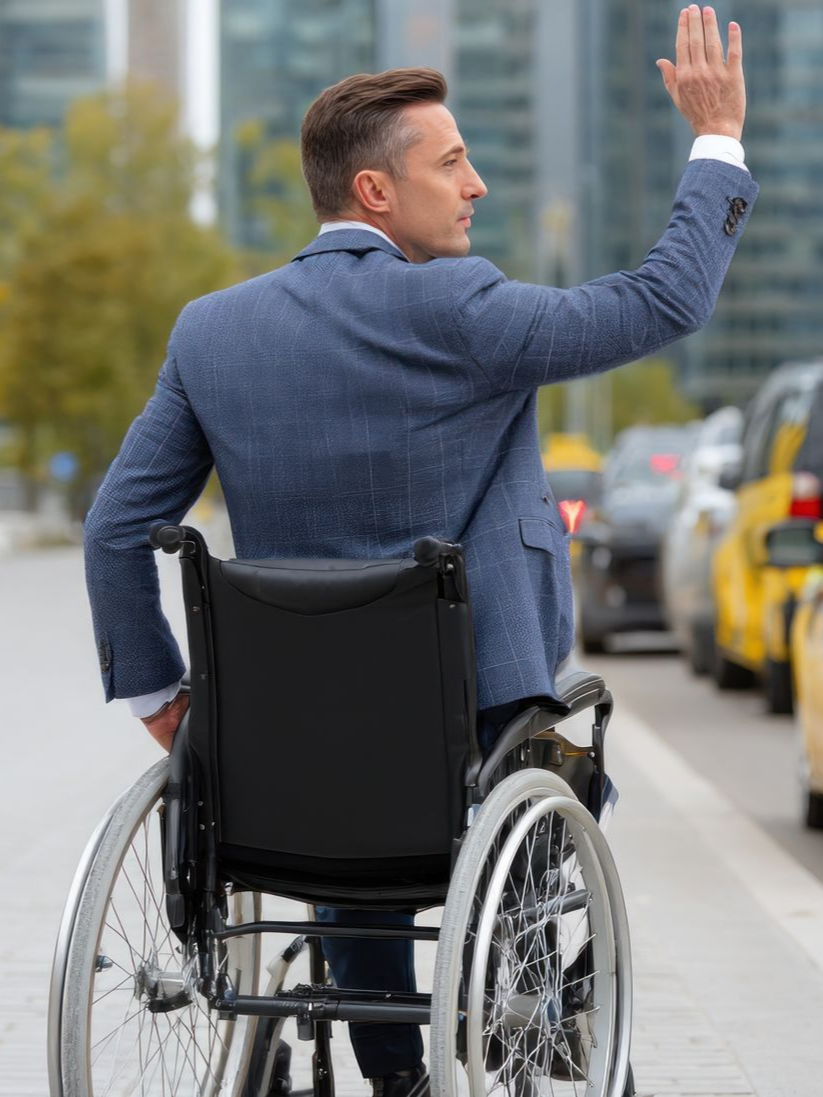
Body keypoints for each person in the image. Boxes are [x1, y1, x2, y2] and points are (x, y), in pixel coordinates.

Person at [84, 6, 755, 1094]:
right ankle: (524, 1004)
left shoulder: (211, 330)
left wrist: (162, 694)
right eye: (452, 162)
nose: (476, 183)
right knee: (533, 764)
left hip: (296, 752)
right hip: (480, 724)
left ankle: (395, 1069)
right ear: (375, 193)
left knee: (349, 829)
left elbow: (116, 526)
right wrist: (715, 138)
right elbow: (663, 297)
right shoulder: (460, 307)